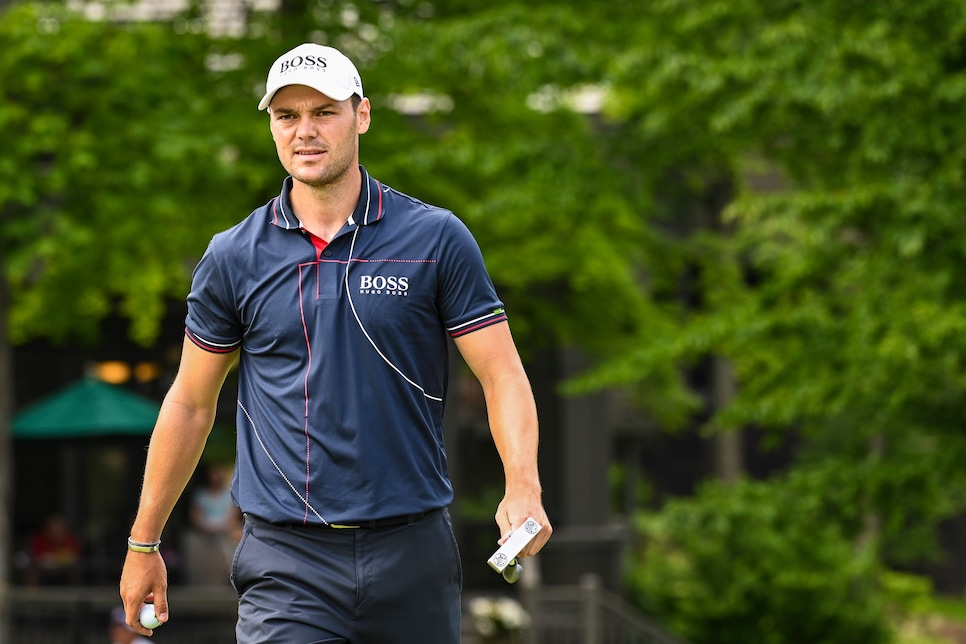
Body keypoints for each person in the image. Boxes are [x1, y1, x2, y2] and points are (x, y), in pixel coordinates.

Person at [119, 42, 551, 642]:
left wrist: (523, 485)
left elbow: (502, 374)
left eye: (324, 111)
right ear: (271, 126)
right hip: (286, 562)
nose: (305, 131)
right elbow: (191, 403)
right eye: (287, 116)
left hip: (413, 553)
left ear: (362, 115)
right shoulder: (233, 257)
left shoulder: (436, 238)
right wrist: (145, 541)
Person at [184, 463, 242, 584]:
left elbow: (234, 516)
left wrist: (225, 528)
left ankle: (233, 574)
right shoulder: (200, 494)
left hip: (226, 530)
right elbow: (195, 517)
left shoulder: (230, 493)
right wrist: (209, 527)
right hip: (205, 531)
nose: (216, 476)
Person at [25, 514, 81, 586]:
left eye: (58, 528)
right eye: (52, 528)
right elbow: (37, 556)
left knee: (75, 571)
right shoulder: (40, 539)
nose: (55, 531)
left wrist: (59, 559)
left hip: (65, 569)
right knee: (31, 572)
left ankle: (76, 593)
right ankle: (32, 596)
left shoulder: (70, 540)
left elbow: (74, 556)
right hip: (44, 570)